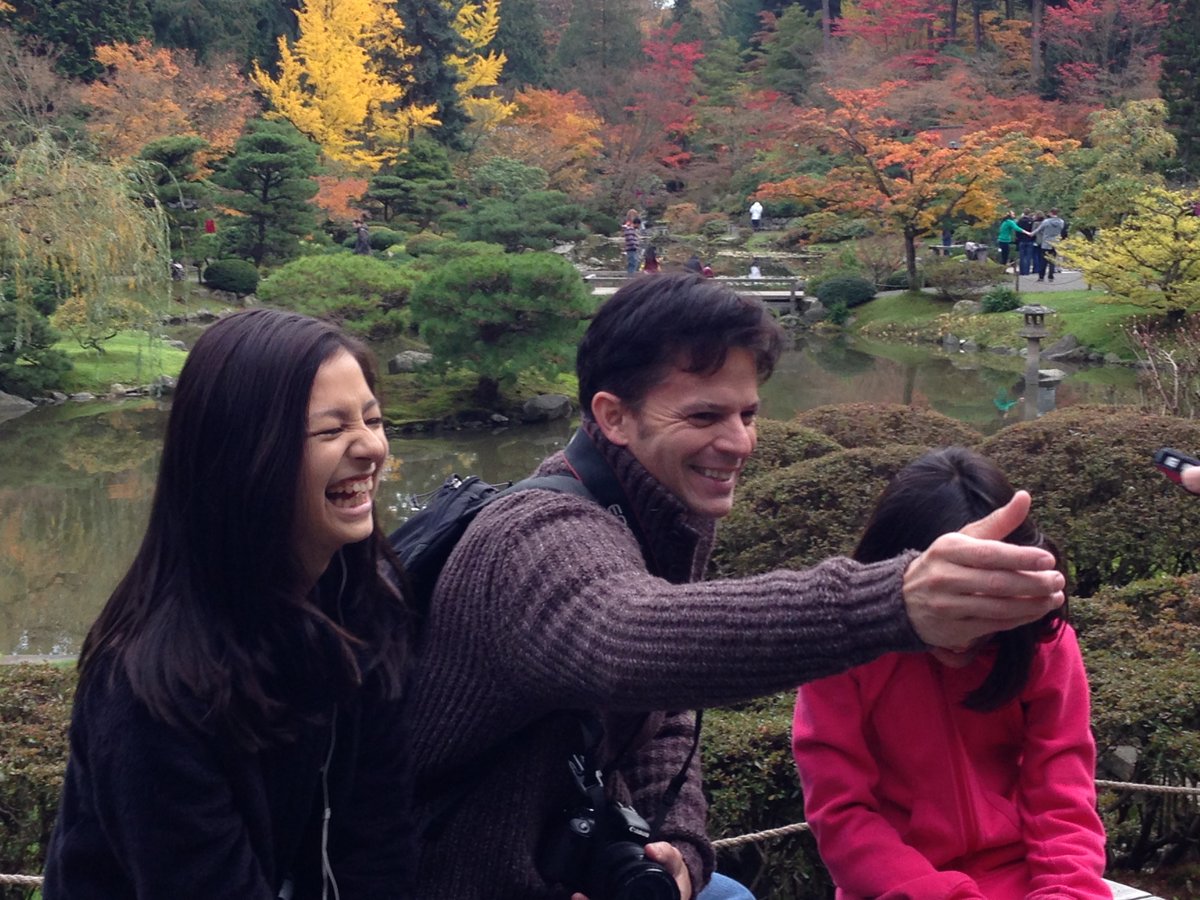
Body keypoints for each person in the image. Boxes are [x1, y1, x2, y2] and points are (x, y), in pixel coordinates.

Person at [403, 274, 1065, 900]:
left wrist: (679, 850)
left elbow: (666, 711)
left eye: (748, 413)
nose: (740, 442)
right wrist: (893, 601)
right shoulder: (537, 534)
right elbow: (627, 638)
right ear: (614, 417)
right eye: (704, 416)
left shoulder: (653, 513)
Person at [43, 309, 416, 899]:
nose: (372, 447)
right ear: (243, 454)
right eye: (331, 431)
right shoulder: (151, 687)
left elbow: (379, 847)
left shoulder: (363, 609)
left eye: (373, 419)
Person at [793, 447, 1107, 900]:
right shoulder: (844, 652)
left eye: (985, 611)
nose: (965, 636)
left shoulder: (1042, 640)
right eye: (953, 608)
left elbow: (1061, 793)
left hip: (1025, 879)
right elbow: (842, 815)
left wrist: (1067, 891)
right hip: (897, 887)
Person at [1028, 208, 1066, 282]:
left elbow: (1038, 229)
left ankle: (1041, 277)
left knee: (1043, 260)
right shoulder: (1061, 221)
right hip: (1055, 242)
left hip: (1046, 242)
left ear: (1051, 213)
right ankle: (1051, 277)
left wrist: (1031, 234)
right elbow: (1062, 230)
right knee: (1052, 260)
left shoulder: (1046, 221)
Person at [1015, 209, 1035, 276]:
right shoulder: (1032, 221)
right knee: (1028, 256)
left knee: (1022, 256)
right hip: (1030, 240)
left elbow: (1017, 230)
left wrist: (1018, 238)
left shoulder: (1019, 221)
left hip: (1021, 240)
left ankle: (1022, 271)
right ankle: (1027, 271)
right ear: (1029, 213)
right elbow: (1033, 230)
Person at [623, 209, 642, 275]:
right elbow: (630, 239)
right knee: (632, 263)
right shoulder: (629, 229)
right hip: (631, 248)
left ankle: (631, 275)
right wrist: (635, 245)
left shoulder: (630, 228)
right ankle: (631, 276)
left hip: (632, 248)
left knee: (634, 262)